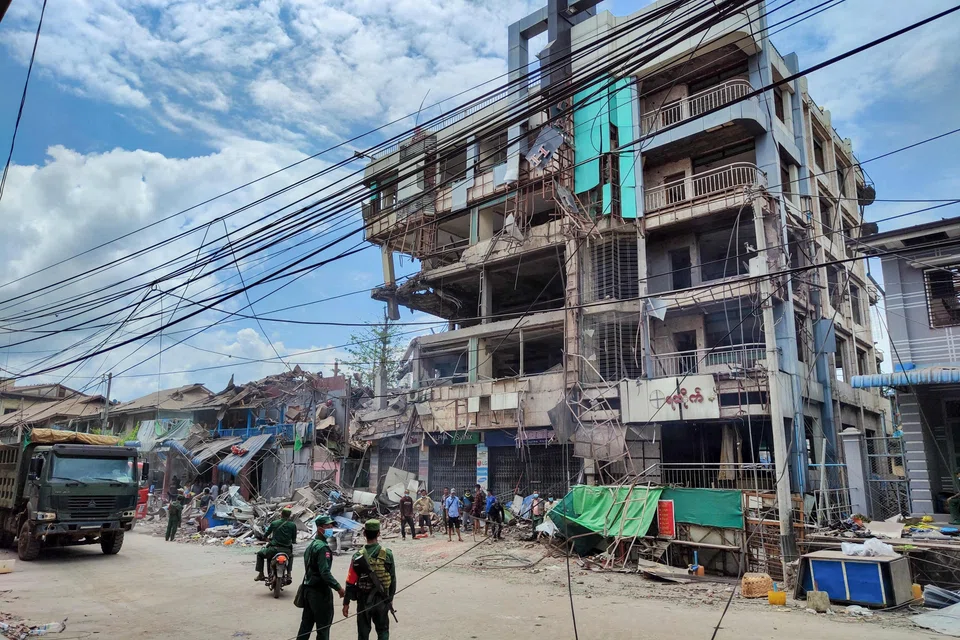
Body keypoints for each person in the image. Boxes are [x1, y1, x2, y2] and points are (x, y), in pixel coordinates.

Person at [343, 519, 396, 640]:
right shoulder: (387, 554)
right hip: (382, 599)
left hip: (363, 600)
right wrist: (390, 599)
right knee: (383, 631)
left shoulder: (357, 556)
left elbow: (350, 582)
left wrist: (346, 603)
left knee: (363, 633)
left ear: (364, 534)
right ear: (378, 533)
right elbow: (393, 579)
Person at [297, 515, 345, 640]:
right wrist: (338, 588)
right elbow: (325, 573)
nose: (331, 529)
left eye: (331, 527)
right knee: (323, 627)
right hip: (319, 592)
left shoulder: (311, 546)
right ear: (320, 529)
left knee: (306, 625)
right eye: (328, 527)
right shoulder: (323, 548)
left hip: (308, 590)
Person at [256, 506, 298, 582]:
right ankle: (289, 574)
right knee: (291, 557)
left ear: (281, 514)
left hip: (273, 549)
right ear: (289, 516)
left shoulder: (274, 523)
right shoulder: (293, 525)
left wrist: (266, 539)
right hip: (286, 551)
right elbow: (294, 540)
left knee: (259, 554)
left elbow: (266, 535)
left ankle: (261, 574)